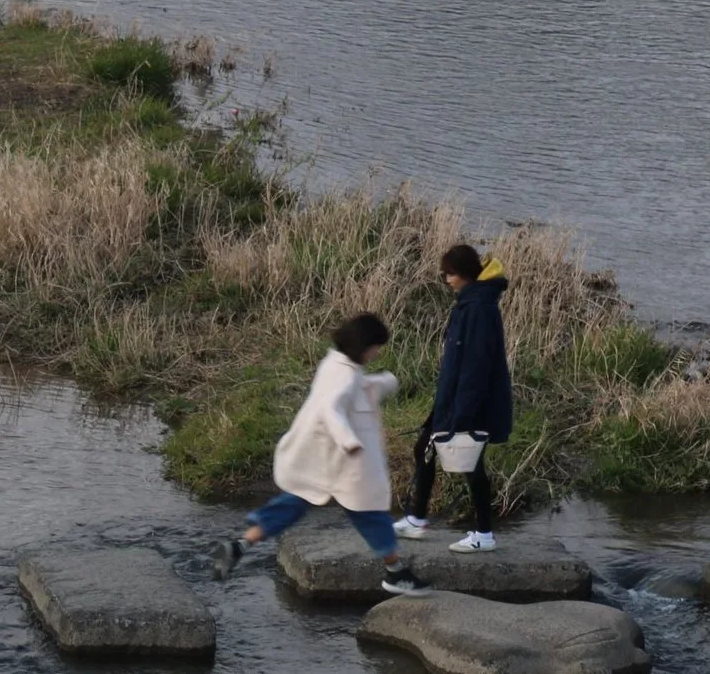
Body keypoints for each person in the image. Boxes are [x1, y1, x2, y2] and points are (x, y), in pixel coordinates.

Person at [210, 314, 430, 595]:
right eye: (376, 347)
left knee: (292, 504)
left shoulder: (335, 364)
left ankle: (240, 545)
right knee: (370, 514)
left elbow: (352, 390)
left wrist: (384, 382)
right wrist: (349, 441)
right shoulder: (347, 376)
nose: (377, 352)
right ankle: (396, 573)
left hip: (317, 460)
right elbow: (332, 408)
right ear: (364, 346)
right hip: (342, 462)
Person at [396, 243, 512, 552]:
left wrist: (463, 413)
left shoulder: (478, 308)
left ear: (463, 274)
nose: (447, 280)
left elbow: (476, 365)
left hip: (470, 402)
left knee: (470, 463)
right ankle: (416, 519)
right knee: (425, 446)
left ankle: (484, 535)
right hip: (454, 397)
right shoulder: (471, 302)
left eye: (449, 274)